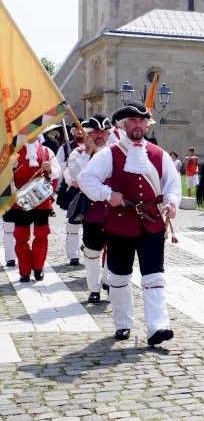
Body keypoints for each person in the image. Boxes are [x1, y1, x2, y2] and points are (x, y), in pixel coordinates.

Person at [78, 101, 181, 346]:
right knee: (119, 276)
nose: (137, 125)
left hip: (152, 223)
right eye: (132, 121)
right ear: (124, 125)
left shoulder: (159, 154)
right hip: (120, 224)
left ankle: (157, 326)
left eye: (141, 121)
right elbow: (85, 178)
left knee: (154, 276)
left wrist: (172, 203)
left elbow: (172, 184)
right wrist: (106, 194)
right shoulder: (109, 154)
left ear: (147, 124)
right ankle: (123, 323)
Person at [65, 114, 112, 303]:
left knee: (115, 248)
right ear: (88, 134)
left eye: (103, 132)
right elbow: (73, 178)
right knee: (92, 251)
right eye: (95, 132)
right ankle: (94, 288)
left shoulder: (116, 152)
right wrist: (87, 154)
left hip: (114, 210)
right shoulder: (78, 153)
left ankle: (109, 280)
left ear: (108, 134)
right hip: (92, 211)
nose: (99, 135)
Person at [12, 138, 61, 282]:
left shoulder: (47, 151)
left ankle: (38, 268)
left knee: (41, 234)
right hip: (20, 200)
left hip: (41, 199)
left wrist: (50, 169)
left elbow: (58, 172)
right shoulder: (13, 153)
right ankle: (24, 271)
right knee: (20, 236)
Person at [58, 124, 88, 266]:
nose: (79, 132)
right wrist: (67, 163)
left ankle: (89, 248)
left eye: (81, 129)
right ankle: (73, 255)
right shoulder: (66, 148)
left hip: (93, 192)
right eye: (76, 129)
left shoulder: (100, 150)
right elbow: (59, 168)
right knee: (73, 223)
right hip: (76, 190)